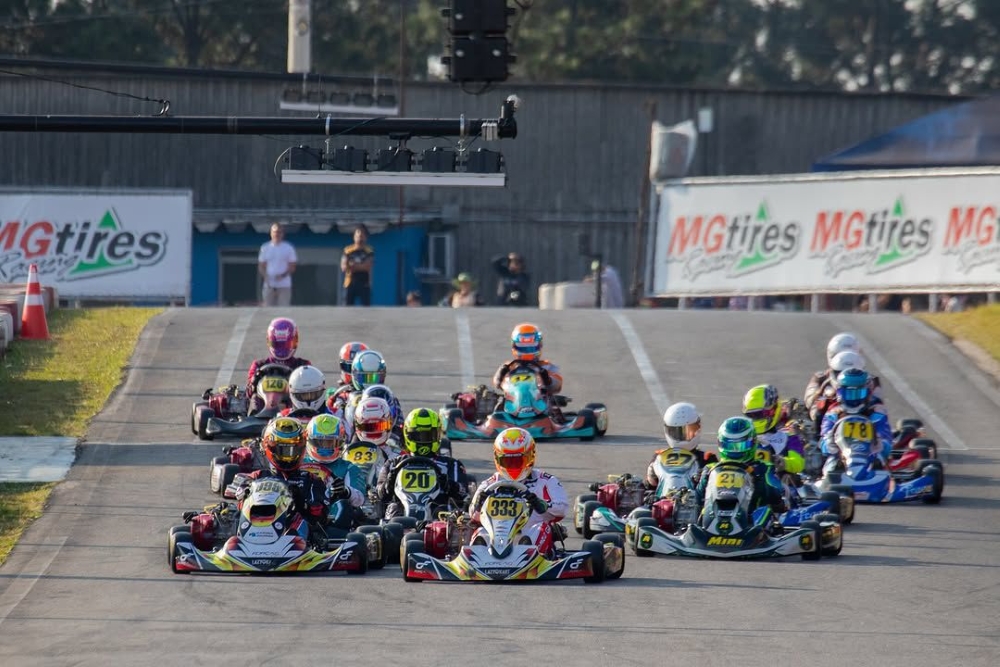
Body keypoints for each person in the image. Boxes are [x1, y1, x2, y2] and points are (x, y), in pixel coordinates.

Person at [235, 417, 343, 542]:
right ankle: (239, 541)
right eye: (283, 450)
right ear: (269, 448)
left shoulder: (311, 480)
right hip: (255, 529)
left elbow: (319, 517)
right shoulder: (257, 477)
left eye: (292, 450)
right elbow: (239, 494)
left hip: (295, 539)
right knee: (235, 514)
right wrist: (244, 491)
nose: (288, 457)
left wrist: (300, 501)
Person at [470, 427, 569, 551]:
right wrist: (478, 504)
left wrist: (541, 504)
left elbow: (562, 509)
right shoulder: (490, 484)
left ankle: (527, 552)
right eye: (507, 461)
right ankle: (478, 555)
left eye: (518, 461)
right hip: (497, 538)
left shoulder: (545, 481)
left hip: (531, 536)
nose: (513, 466)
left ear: (531, 456)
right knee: (480, 532)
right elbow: (473, 515)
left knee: (541, 528)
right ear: (498, 459)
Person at [376, 408, 470, 519]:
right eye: (417, 436)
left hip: (437, 519)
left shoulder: (451, 465)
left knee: (443, 510)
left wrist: (448, 485)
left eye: (428, 435)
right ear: (407, 435)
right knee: (393, 508)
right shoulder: (393, 464)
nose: (423, 440)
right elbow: (379, 496)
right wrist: (389, 483)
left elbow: (464, 495)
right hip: (401, 519)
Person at [696, 417, 787, 517]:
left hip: (750, 519)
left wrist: (760, 482)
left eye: (740, 446)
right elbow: (698, 498)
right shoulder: (710, 469)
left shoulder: (761, 468)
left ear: (753, 442)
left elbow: (773, 493)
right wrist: (701, 479)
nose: (735, 451)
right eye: (730, 446)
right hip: (713, 517)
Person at [303, 414, 366, 530]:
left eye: (330, 443)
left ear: (340, 442)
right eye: (320, 442)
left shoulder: (349, 468)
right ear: (310, 440)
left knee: (344, 505)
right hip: (301, 517)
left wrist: (346, 491)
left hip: (333, 521)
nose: (325, 447)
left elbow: (360, 499)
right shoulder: (299, 465)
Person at [820, 368, 893, 466]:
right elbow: (823, 442)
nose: (853, 399)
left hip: (870, 460)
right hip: (841, 461)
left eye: (858, 394)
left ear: (868, 393)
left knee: (880, 461)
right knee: (831, 463)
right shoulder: (833, 414)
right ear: (840, 393)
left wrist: (881, 444)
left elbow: (887, 443)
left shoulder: (877, 414)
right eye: (848, 394)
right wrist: (829, 443)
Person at [645, 402, 716, 491]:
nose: (682, 436)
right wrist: (650, 481)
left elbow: (715, 490)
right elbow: (650, 489)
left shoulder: (706, 458)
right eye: (676, 432)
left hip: (694, 498)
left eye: (689, 431)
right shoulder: (659, 457)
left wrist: (703, 479)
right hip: (664, 498)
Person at [245, 317, 311, 412]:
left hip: (293, 414)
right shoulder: (258, 365)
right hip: (262, 412)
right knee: (255, 397)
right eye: (278, 345)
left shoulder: (303, 366)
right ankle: (255, 417)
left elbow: (309, 395)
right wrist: (254, 381)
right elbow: (249, 394)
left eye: (286, 345)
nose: (282, 350)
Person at [742, 385, 806, 477]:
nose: (756, 418)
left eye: (760, 414)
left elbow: (798, 463)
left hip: (777, 480)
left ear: (774, 408)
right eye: (752, 415)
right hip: (748, 479)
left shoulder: (790, 434)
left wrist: (781, 462)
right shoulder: (745, 434)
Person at [492, 323, 563, 397]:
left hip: (539, 399)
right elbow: (496, 383)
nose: (527, 349)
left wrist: (548, 380)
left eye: (531, 347)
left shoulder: (546, 366)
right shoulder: (509, 366)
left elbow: (557, 386)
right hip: (514, 399)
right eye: (523, 347)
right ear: (514, 346)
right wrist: (501, 375)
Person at [258, 223, 297, 307]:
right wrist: (265, 276)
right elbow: (261, 266)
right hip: (269, 286)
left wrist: (282, 276)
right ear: (271, 233)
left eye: (279, 232)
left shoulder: (288, 248)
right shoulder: (265, 248)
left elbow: (292, 266)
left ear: (282, 234)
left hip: (284, 285)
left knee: (283, 309)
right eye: (275, 232)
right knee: (268, 310)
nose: (277, 234)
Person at [341, 225, 374, 306]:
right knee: (347, 308)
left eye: (362, 236)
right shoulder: (347, 250)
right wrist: (360, 266)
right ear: (354, 237)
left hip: (364, 283)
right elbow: (344, 267)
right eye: (357, 236)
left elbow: (367, 267)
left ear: (366, 237)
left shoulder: (369, 251)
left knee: (366, 308)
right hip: (349, 283)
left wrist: (353, 265)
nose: (360, 238)